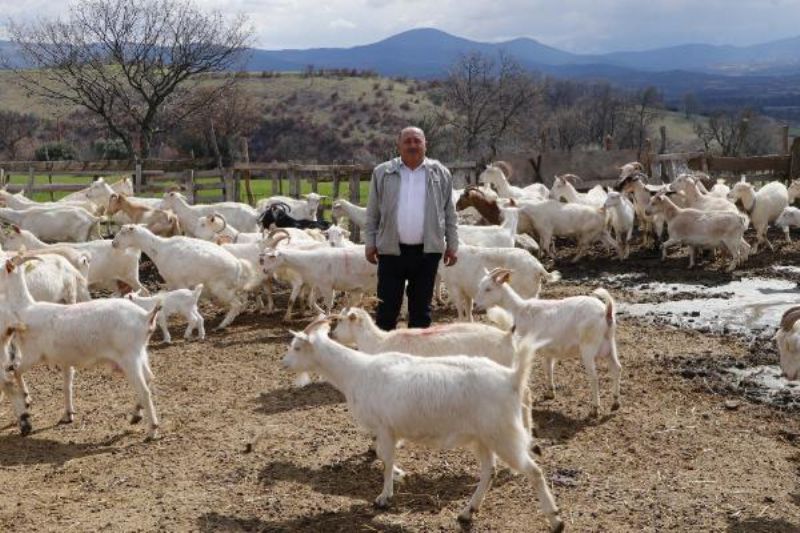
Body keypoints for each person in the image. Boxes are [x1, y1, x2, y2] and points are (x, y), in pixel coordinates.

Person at [364, 126, 458, 331]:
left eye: (417, 141)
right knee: (386, 310)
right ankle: (383, 359)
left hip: (427, 253)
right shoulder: (383, 172)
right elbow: (372, 213)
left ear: (426, 145)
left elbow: (449, 213)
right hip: (390, 252)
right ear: (398, 145)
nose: (413, 145)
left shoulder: (440, 173)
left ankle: (418, 359)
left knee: (421, 312)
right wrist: (370, 243)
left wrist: (453, 245)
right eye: (407, 141)